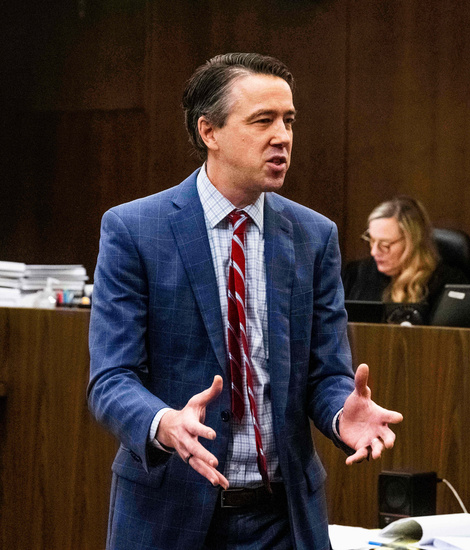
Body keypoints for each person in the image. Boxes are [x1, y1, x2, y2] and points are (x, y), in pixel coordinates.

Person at [87, 52, 403, 550]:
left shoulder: (314, 236)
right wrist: (164, 423)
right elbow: (111, 378)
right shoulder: (134, 230)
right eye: (263, 121)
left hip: (282, 519)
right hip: (169, 513)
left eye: (289, 121)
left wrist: (341, 413)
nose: (282, 136)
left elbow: (325, 375)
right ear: (209, 131)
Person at [342, 196, 468, 323]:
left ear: (412, 242)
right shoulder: (355, 274)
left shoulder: (448, 283)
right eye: (372, 240)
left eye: (385, 245)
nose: (374, 252)